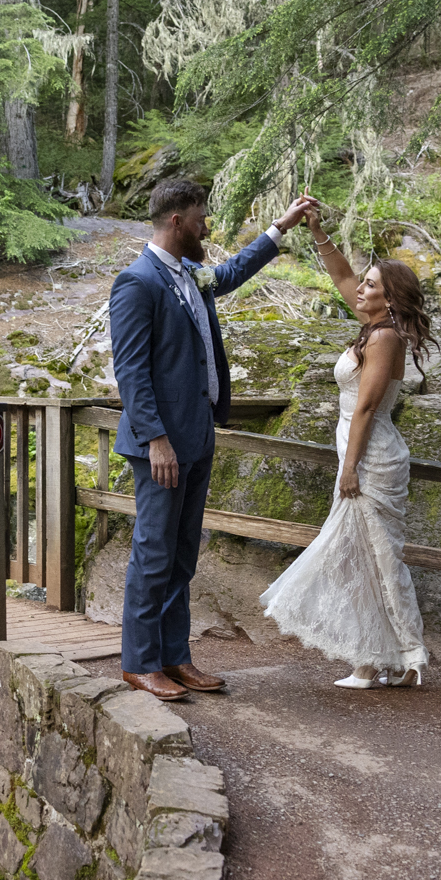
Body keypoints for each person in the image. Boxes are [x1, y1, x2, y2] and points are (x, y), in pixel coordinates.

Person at [111, 179, 321, 700]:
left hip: (198, 436)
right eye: (201, 217)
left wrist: (282, 226)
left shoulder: (191, 275)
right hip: (161, 446)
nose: (207, 226)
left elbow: (234, 271)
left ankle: (174, 657)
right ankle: (140, 663)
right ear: (177, 221)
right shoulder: (137, 282)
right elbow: (131, 372)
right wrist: (156, 439)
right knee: (153, 552)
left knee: (183, 554)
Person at [259, 210, 435, 688]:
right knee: (359, 559)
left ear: (389, 298)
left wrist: (350, 467)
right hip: (358, 451)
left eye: (371, 285)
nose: (361, 289)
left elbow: (366, 408)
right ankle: (379, 658)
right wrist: (317, 232)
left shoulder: (384, 337)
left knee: (376, 559)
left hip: (371, 456)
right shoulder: (374, 325)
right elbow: (342, 278)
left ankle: (400, 657)